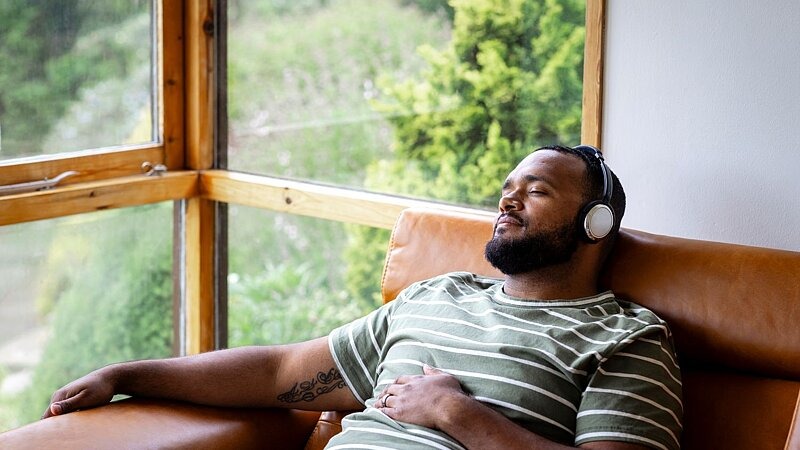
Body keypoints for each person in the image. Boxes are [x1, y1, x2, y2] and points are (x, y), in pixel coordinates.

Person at [43, 145, 682, 450]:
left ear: (596, 224)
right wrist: (126, 375)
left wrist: (455, 413)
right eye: (507, 187)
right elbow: (278, 374)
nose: (506, 201)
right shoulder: (437, 295)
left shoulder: (627, 338)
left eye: (535, 191)